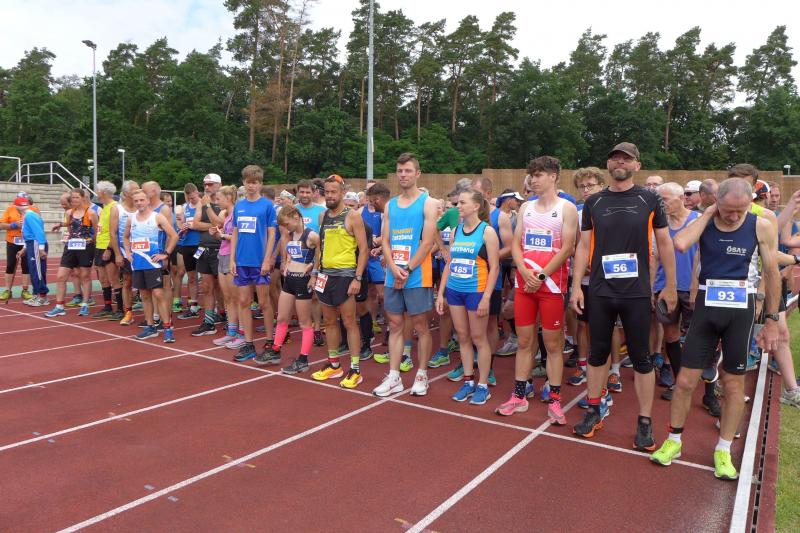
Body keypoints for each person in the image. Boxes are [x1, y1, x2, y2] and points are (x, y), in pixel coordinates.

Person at [651, 178, 780, 479]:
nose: (733, 217)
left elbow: (772, 273)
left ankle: (723, 449)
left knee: (733, 385)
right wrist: (709, 213)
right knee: (685, 381)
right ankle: (674, 441)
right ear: (716, 202)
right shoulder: (705, 221)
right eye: (727, 210)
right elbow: (681, 244)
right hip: (707, 309)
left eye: (740, 211)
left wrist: (772, 321)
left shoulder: (760, 226)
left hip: (740, 310)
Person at [570, 142, 678, 451]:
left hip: (636, 292)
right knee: (597, 353)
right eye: (615, 157)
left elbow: (665, 244)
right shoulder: (594, 202)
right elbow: (583, 246)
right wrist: (576, 286)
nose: (619, 162)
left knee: (642, 358)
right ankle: (594, 409)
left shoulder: (650, 199)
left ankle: (644, 421)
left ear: (637, 166)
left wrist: (670, 286)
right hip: (601, 290)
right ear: (608, 164)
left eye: (626, 159)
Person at [495, 156, 578, 421]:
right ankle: (519, 396)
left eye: (539, 175)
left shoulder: (566, 208)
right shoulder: (526, 208)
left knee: (553, 345)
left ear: (553, 177)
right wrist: (523, 270)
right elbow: (516, 244)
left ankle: (555, 399)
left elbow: (567, 248)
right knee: (524, 342)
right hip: (525, 285)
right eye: (532, 175)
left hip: (551, 286)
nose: (533, 180)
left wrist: (541, 275)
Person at [373, 153, 438, 397]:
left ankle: (422, 375)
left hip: (417, 274)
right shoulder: (390, 205)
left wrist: (408, 269)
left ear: (417, 174)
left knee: (420, 326)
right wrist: (393, 267)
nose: (403, 175)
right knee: (395, 324)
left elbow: (428, 242)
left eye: (408, 170)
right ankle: (394, 376)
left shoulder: (428, 203)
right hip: (394, 274)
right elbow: (385, 240)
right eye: (400, 171)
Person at [436, 189, 500, 405]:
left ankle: (483, 385)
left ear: (476, 206)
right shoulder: (456, 230)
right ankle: (468, 380)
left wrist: (486, 297)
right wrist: (441, 293)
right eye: (458, 203)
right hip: (455, 290)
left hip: (476, 291)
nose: (458, 207)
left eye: (462, 203)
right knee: (462, 337)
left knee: (478, 338)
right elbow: (450, 263)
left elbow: (495, 267)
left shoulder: (487, 232)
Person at [309, 174, 369, 389]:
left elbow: (364, 249)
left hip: (345, 276)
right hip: (325, 276)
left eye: (334, 192)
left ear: (342, 192)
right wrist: (315, 273)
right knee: (329, 322)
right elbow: (320, 247)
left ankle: (355, 369)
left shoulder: (352, 216)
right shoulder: (322, 216)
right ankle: (334, 365)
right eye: (327, 192)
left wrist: (357, 278)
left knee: (349, 322)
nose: (330, 196)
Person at [651, 183, 703, 406]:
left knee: (697, 336)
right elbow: (654, 257)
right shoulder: (659, 224)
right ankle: (678, 381)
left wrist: (696, 285)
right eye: (659, 199)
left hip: (693, 289)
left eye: (665, 199)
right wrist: (651, 287)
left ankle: (704, 385)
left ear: (681, 198)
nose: (661, 204)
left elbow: (704, 254)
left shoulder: (698, 221)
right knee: (670, 335)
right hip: (665, 288)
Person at [258, 204, 319, 373]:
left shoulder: (311, 235)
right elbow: (290, 254)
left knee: (304, 322)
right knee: (282, 318)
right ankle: (275, 350)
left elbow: (322, 252)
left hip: (303, 281)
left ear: (296, 217)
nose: (285, 228)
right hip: (289, 280)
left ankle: (303, 359)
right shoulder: (290, 235)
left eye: (286, 224)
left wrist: (314, 271)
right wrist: (285, 262)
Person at [229, 166, 278, 362]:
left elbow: (272, 234)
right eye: (248, 182)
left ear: (260, 184)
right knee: (244, 301)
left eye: (255, 182)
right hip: (242, 261)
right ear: (243, 183)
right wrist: (232, 259)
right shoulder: (239, 206)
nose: (251, 186)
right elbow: (235, 233)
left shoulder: (267, 206)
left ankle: (270, 342)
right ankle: (248, 344)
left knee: (264, 302)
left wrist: (267, 259)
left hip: (259, 262)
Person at [124, 189, 180, 342]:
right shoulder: (131, 219)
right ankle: (150, 327)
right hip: (137, 263)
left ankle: (167, 327)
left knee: (158, 294)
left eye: (142, 200)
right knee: (144, 295)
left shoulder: (157, 217)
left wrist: (166, 253)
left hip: (153, 263)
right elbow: (125, 237)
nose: (139, 203)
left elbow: (174, 235)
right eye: (136, 201)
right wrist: (128, 252)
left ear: (148, 201)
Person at [45, 188, 99, 318]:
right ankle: (59, 306)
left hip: (86, 248)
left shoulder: (91, 213)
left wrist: (91, 242)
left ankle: (85, 304)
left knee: (85, 276)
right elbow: (71, 227)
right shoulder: (69, 212)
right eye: (72, 198)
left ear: (83, 198)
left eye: (76, 197)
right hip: (71, 246)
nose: (74, 200)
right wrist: (60, 224)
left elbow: (97, 231)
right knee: (61, 276)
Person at [191, 173, 226, 337]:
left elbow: (221, 224)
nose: (206, 187)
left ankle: (228, 317)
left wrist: (214, 223)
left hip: (221, 249)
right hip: (204, 248)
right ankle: (209, 322)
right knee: (207, 287)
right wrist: (213, 226)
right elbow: (195, 224)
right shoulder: (202, 202)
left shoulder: (224, 202)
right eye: (205, 184)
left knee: (225, 288)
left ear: (219, 185)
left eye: (210, 184)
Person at [209, 186, 244, 349]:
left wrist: (223, 235)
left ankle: (242, 333)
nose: (217, 202)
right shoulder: (226, 215)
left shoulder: (238, 213)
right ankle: (231, 331)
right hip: (222, 255)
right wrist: (218, 234)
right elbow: (226, 235)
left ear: (229, 198)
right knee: (228, 297)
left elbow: (240, 236)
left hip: (232, 256)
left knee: (237, 298)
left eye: (219, 199)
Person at [295, 179, 327, 346]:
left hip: (315, 259)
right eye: (302, 192)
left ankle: (317, 329)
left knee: (315, 296)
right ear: (297, 193)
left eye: (308, 192)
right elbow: (285, 236)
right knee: (299, 297)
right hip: (296, 260)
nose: (305, 195)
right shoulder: (292, 210)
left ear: (314, 193)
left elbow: (324, 237)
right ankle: (305, 327)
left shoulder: (321, 211)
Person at [90, 181, 124, 320]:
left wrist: (109, 249)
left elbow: (114, 231)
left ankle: (120, 309)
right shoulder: (104, 207)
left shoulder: (114, 207)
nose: (96, 193)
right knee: (103, 279)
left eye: (97, 190)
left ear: (102, 192)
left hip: (108, 247)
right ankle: (108, 307)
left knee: (113, 279)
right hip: (99, 246)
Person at [109, 180, 140, 325]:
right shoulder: (117, 209)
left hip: (142, 251)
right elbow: (113, 233)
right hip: (125, 251)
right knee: (127, 281)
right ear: (126, 193)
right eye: (135, 191)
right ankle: (128, 312)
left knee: (145, 284)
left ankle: (152, 314)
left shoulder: (142, 207)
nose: (138, 193)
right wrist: (117, 254)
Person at [0, 192, 38, 301]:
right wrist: (14, 225)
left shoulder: (33, 209)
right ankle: (8, 290)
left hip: (28, 240)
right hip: (12, 241)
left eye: (24, 201)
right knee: (10, 265)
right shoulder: (10, 209)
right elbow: (1, 225)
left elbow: (38, 224)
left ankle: (25, 290)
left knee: (26, 265)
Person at [176, 182, 203, 319]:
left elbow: (207, 225)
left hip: (200, 246)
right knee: (191, 277)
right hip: (187, 245)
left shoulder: (203, 206)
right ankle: (193, 306)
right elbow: (180, 223)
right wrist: (182, 228)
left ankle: (217, 308)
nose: (191, 200)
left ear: (197, 193)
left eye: (193, 197)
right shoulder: (185, 207)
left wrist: (193, 226)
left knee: (207, 277)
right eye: (189, 198)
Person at [15, 197, 49, 306]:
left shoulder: (30, 216)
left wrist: (41, 249)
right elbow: (28, 233)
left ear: (17, 207)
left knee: (37, 270)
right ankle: (36, 294)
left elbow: (38, 232)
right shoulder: (27, 215)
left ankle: (42, 296)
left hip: (35, 244)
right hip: (32, 243)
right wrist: (24, 248)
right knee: (34, 270)